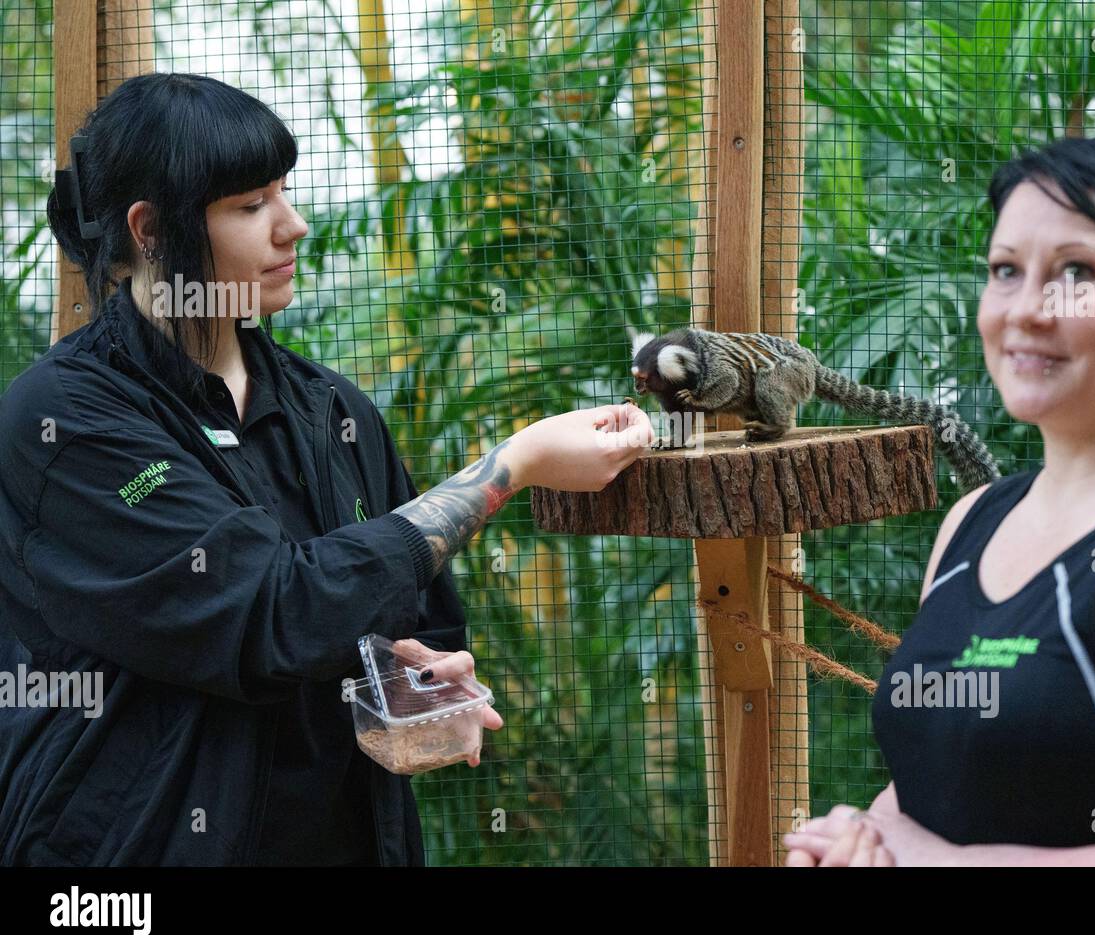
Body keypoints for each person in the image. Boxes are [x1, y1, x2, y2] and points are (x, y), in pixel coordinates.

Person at [0, 72, 653, 866]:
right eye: (250, 206)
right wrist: (515, 465)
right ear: (150, 231)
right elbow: (275, 611)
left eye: (285, 192)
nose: (294, 226)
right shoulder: (67, 420)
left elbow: (414, 613)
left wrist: (422, 678)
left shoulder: (332, 409)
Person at [784, 136, 1095, 866]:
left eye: (1077, 272)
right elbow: (938, 782)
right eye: (1005, 271)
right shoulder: (976, 518)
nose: (1026, 309)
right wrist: (861, 838)